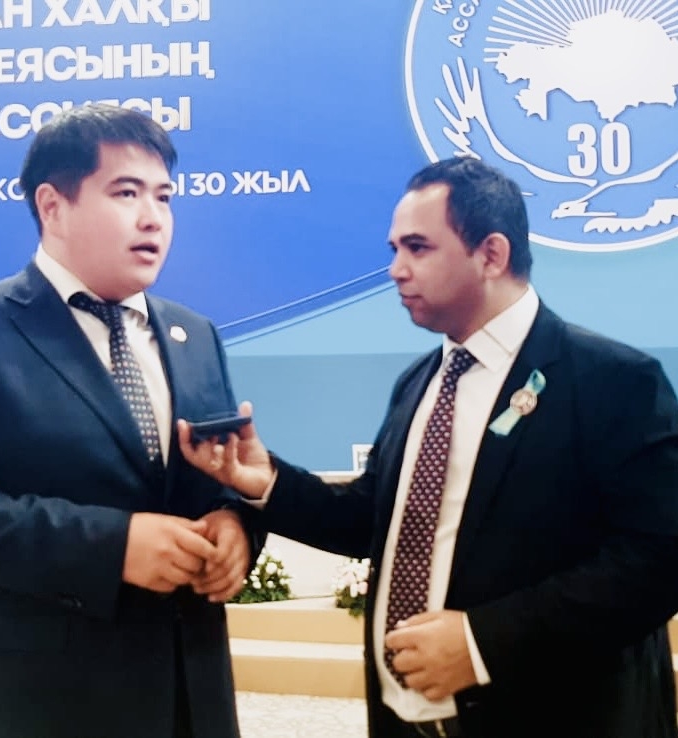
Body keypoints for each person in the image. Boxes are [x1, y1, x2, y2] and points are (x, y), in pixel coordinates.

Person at [177, 156, 678, 738]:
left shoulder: (614, 381)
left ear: (491, 254)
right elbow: (377, 522)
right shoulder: (420, 383)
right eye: (394, 249)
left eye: (417, 248)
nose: (395, 270)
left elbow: (659, 560)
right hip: (405, 720)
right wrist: (266, 480)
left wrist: (480, 643)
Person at [0, 103, 262, 738]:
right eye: (126, 192)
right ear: (52, 206)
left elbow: (210, 480)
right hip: (35, 703)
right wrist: (112, 547)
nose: (152, 217)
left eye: (164, 196)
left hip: (190, 697)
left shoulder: (195, 334)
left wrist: (235, 523)